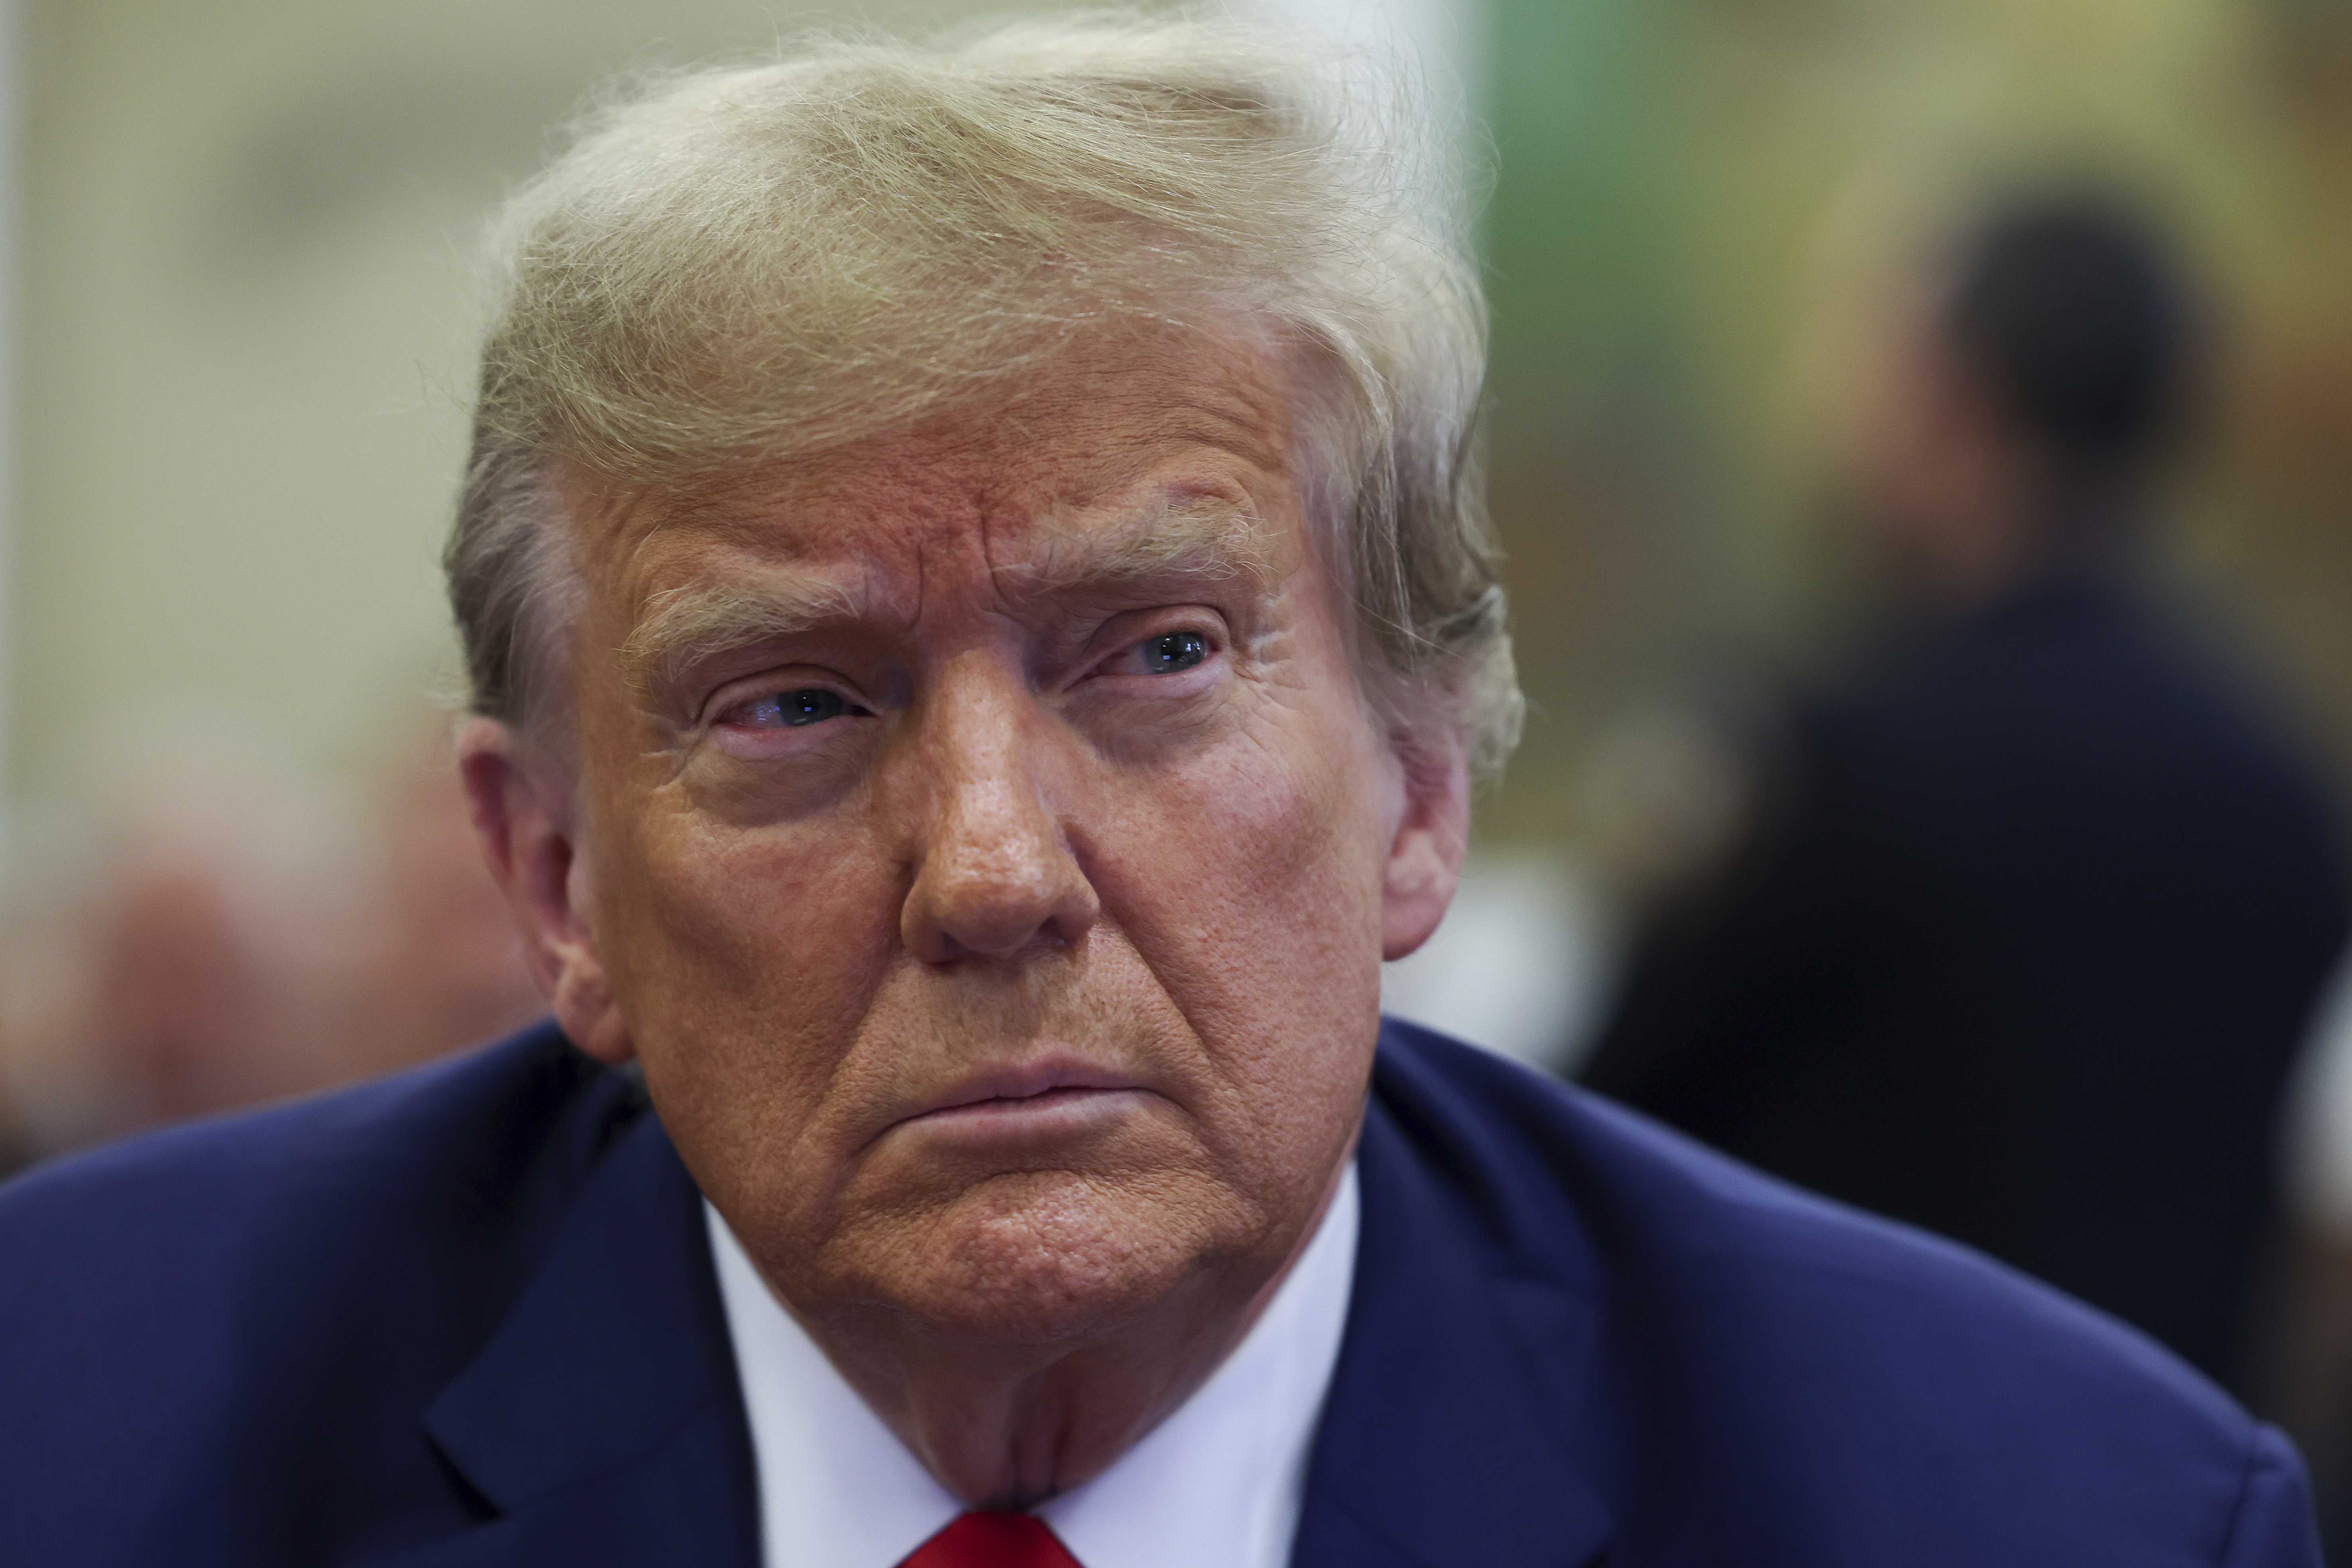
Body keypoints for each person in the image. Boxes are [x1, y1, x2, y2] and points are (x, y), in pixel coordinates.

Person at [0, 28, 2323, 1566]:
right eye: (795, 705)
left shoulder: (2053, 1519)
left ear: (1418, 784)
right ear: (552, 877)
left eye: (1160, 657)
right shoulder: (73, 1441)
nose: (993, 872)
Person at [1581, 197, 2350, 1388]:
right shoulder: (2275, 791)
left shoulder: (1843, 770)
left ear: (1950, 392)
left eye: (1858, 350)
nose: (1820, 399)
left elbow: (1604, 1131)